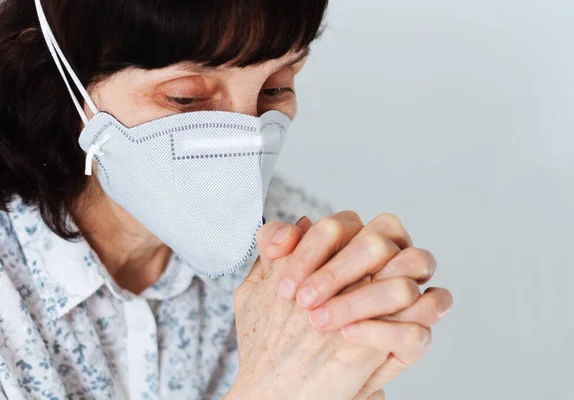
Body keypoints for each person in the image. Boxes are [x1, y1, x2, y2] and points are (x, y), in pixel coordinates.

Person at [0, 0, 453, 399]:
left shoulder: (293, 252)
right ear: (57, 73)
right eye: (186, 97)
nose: (248, 135)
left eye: (276, 86)